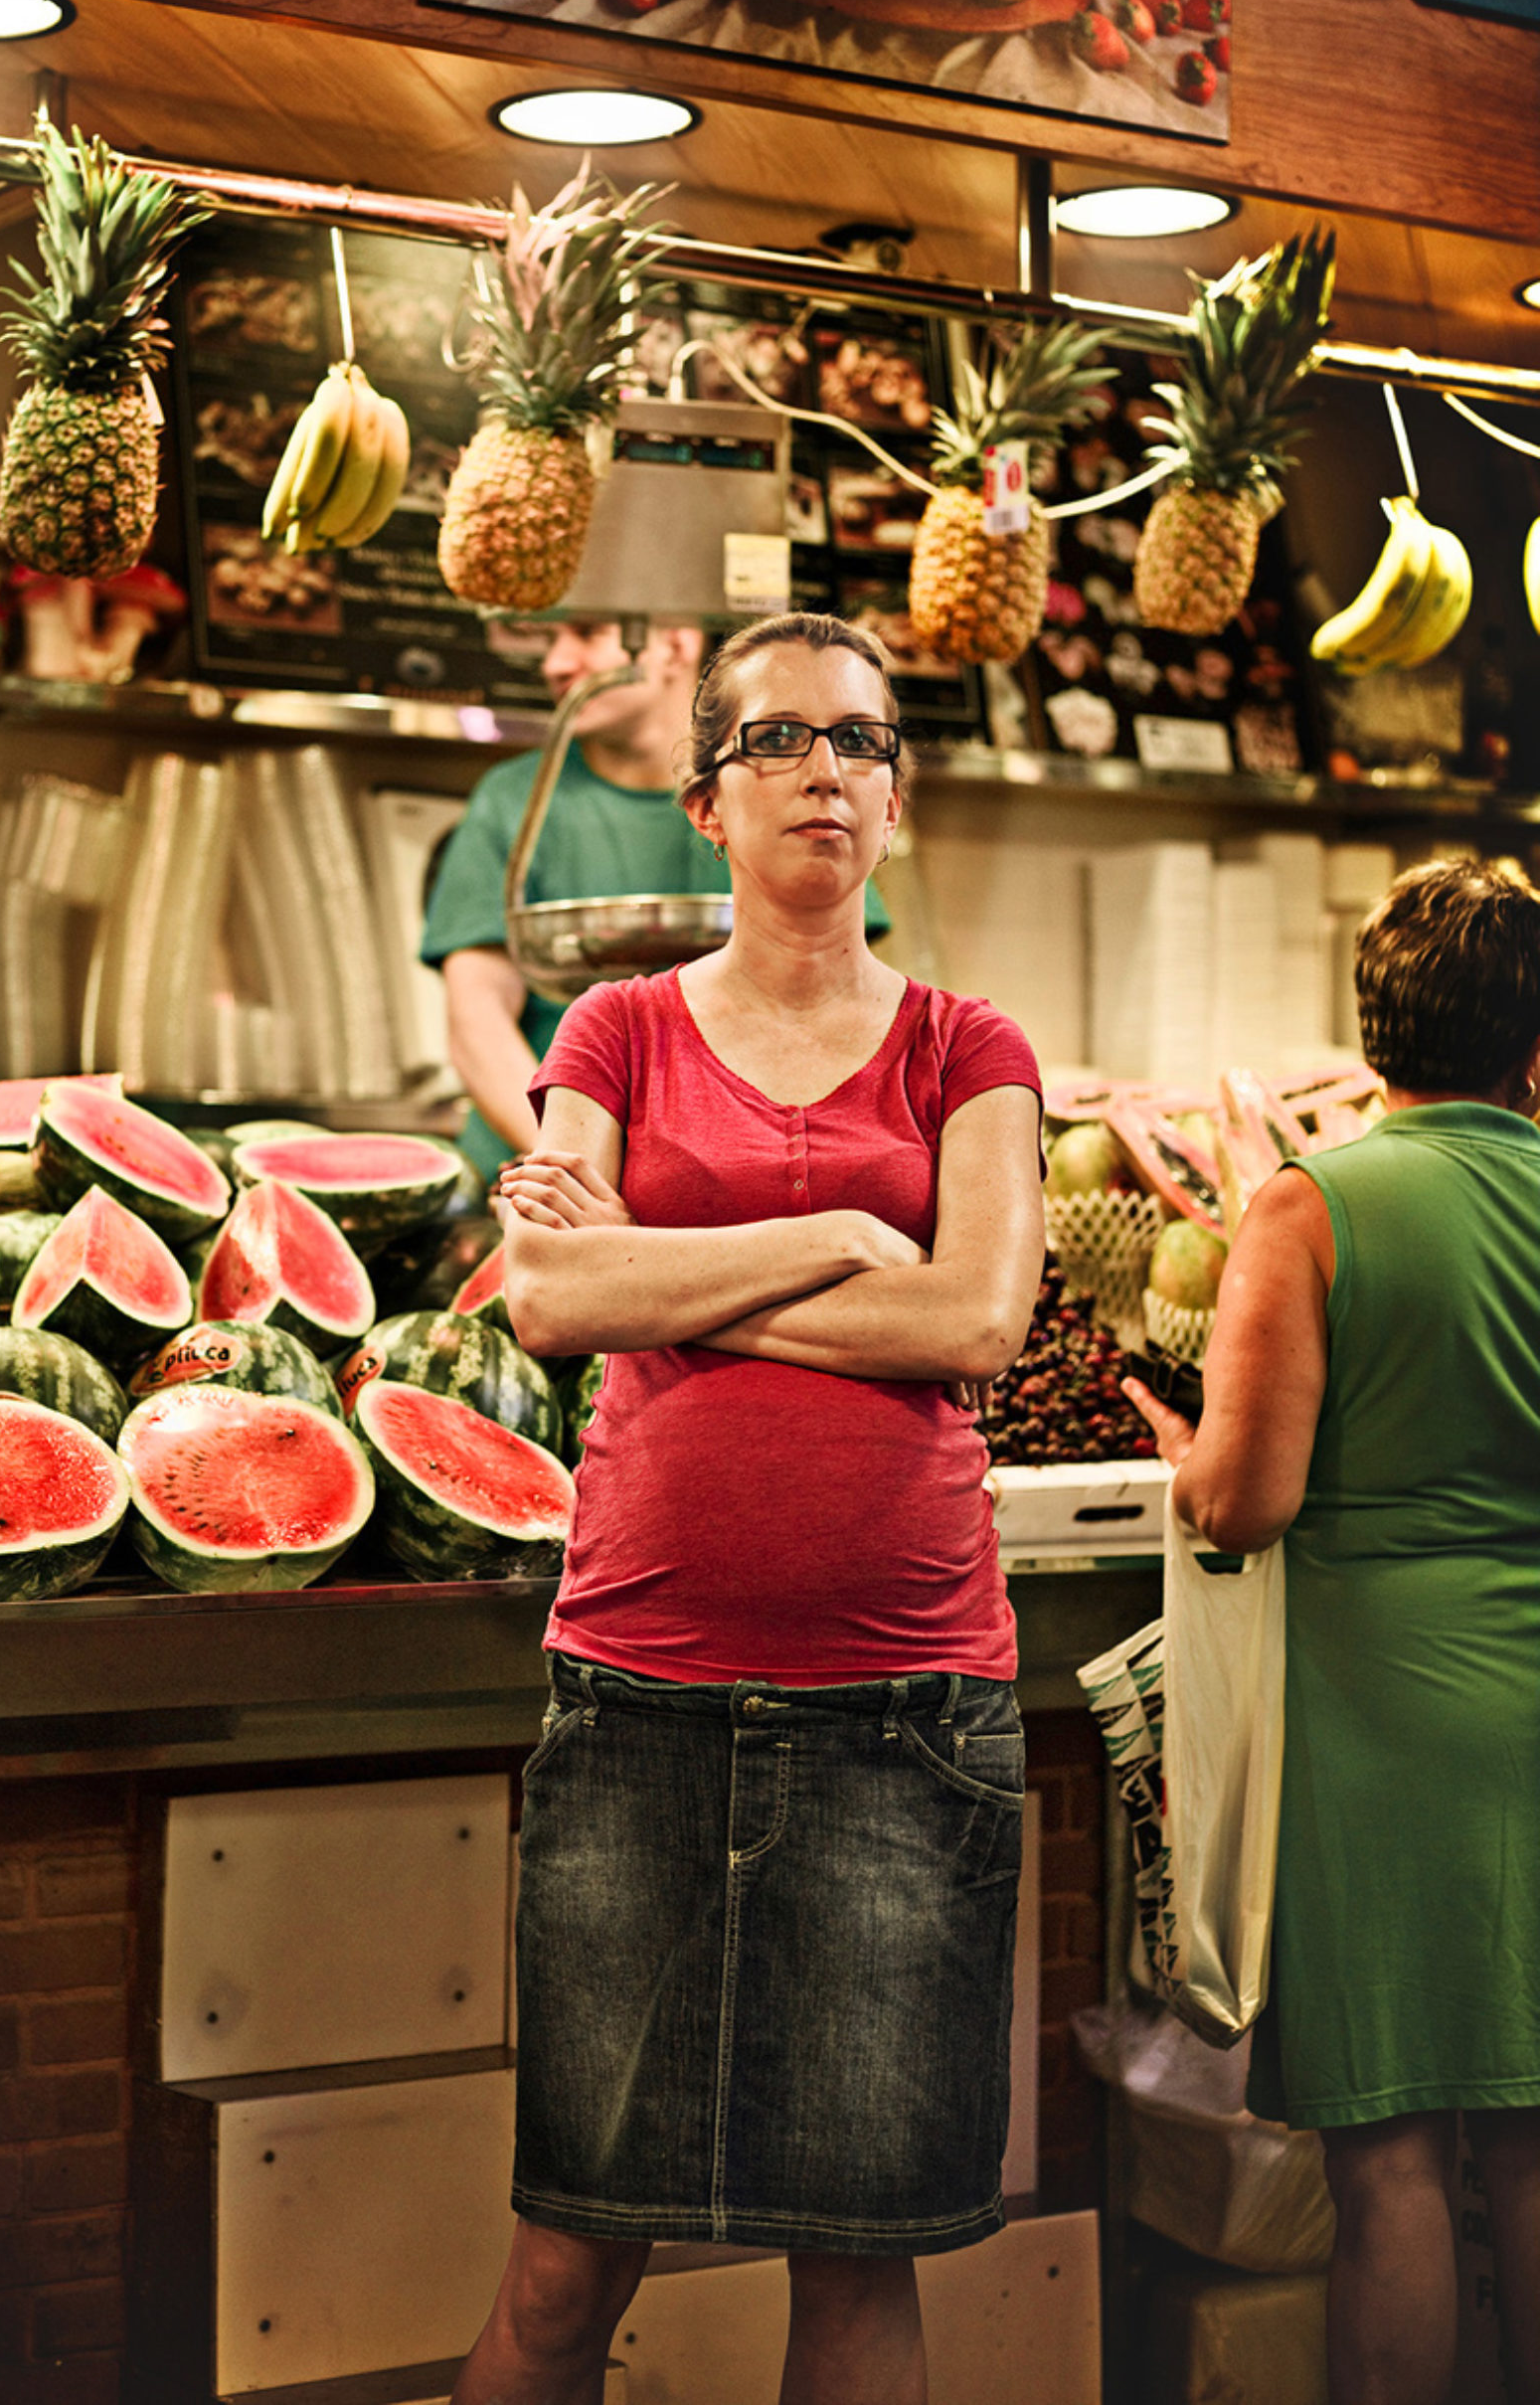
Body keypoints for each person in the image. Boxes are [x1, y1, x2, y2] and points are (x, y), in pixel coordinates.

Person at [446, 611, 1048, 2405]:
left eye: (861, 742)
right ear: (709, 802)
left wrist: (671, 1269)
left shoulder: (966, 1043)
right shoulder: (615, 1027)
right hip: (641, 1700)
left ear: (899, 801)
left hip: (907, 1717)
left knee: (859, 2283)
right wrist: (836, 1235)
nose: (824, 770)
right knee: (565, 2267)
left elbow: (978, 1318)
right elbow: (547, 1300)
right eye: (780, 740)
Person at [1124, 857, 1540, 2405]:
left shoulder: (1310, 1207)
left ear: (1374, 1035)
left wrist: (1180, 1447)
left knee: (1396, 2166)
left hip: (1384, 1730)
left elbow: (1239, 1503)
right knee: (1535, 2145)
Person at [421, 613, 889, 1183]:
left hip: (722, 1172)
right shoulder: (513, 799)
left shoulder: (778, 798)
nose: (555, 664)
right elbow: (477, 1019)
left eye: (586, 634)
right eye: (548, 641)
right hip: (539, 1160)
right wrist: (573, 1169)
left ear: (674, 642)